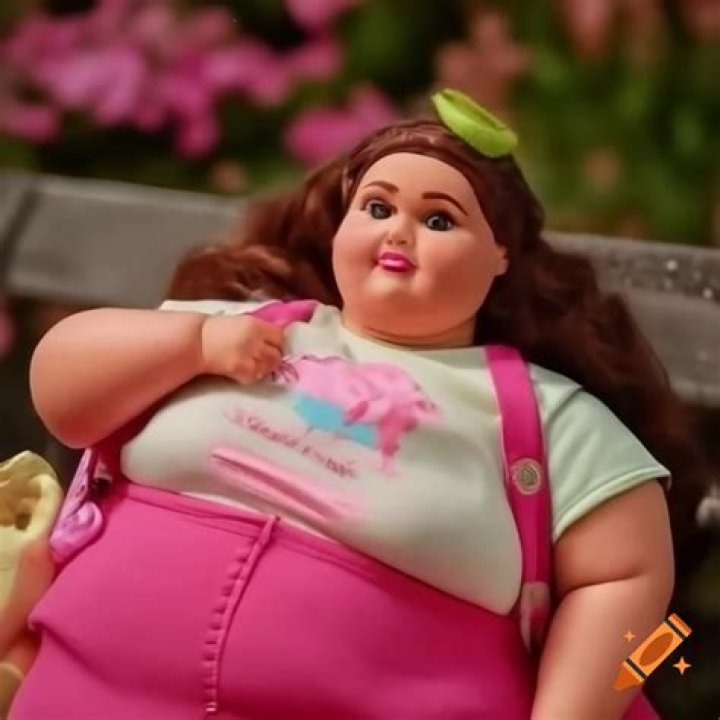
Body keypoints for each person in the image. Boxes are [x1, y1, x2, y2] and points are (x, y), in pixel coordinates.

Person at [7, 89, 705, 719]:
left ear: (501, 256)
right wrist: (195, 343)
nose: (398, 232)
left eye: (439, 219)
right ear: (340, 225)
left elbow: (627, 571)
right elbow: (64, 392)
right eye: (377, 207)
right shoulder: (231, 328)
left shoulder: (541, 412)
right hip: (89, 689)